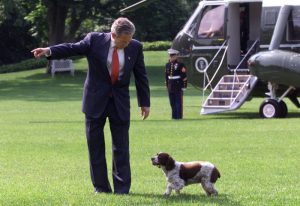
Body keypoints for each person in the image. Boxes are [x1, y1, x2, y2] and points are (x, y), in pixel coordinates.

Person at [31, 17, 150, 195]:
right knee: (95, 147)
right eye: (123, 41)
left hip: (120, 103)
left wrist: (145, 102)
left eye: (129, 40)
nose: (126, 44)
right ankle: (101, 188)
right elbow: (72, 48)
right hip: (95, 102)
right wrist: (49, 50)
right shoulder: (94, 40)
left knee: (121, 147)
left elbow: (141, 75)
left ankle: (122, 189)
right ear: (113, 35)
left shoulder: (135, 46)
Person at [165, 48, 187, 119]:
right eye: (170, 56)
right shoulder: (167, 65)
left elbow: (184, 76)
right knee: (172, 102)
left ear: (176, 56)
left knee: (178, 102)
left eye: (172, 56)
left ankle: (179, 116)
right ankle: (174, 116)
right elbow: (166, 76)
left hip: (178, 85)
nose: (171, 57)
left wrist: (184, 86)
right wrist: (167, 86)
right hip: (170, 85)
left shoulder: (180, 65)